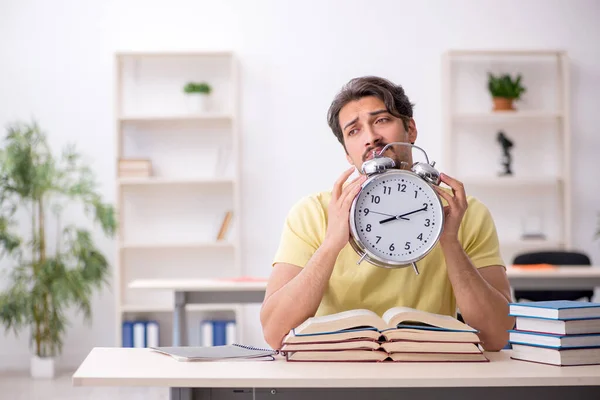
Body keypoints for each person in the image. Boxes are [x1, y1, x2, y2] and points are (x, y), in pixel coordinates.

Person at [260, 76, 515, 351]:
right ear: (348, 154)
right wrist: (331, 243)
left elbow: (498, 335)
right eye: (354, 131)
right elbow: (275, 332)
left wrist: (450, 242)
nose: (371, 138)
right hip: (336, 375)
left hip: (430, 372)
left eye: (381, 120)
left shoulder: (464, 212)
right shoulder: (312, 214)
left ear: (411, 130)